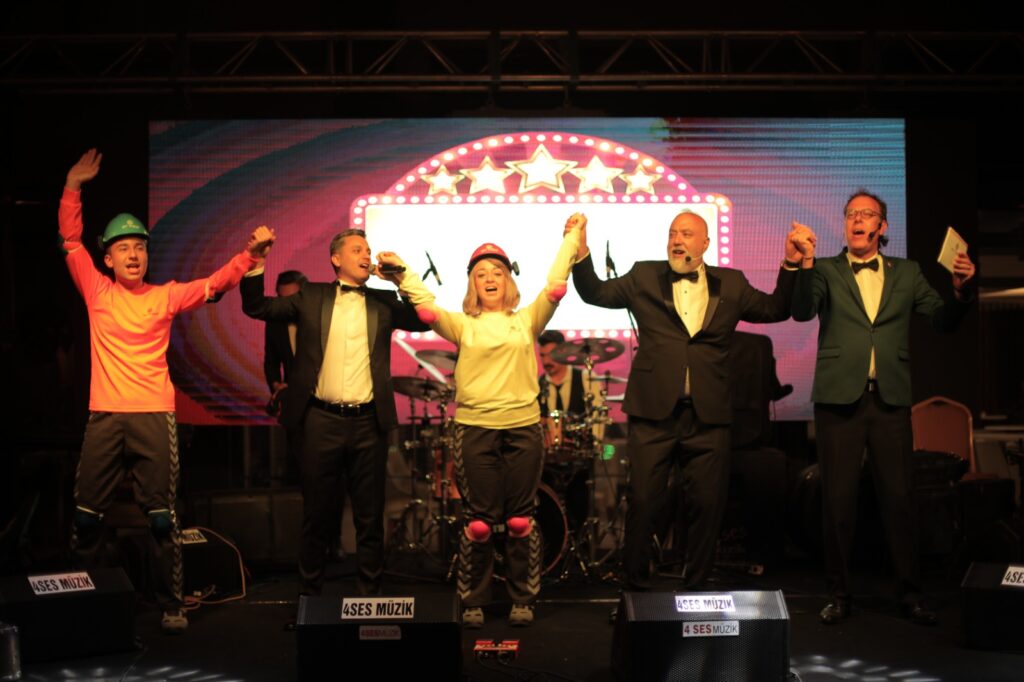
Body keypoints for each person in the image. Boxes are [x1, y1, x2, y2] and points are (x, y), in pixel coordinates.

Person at [60, 149, 268, 634]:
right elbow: (70, 239)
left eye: (140, 247)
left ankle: (171, 603)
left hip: (154, 416)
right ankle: (80, 600)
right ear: (108, 258)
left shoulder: (165, 295)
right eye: (123, 249)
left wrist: (250, 256)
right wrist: (73, 185)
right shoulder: (96, 291)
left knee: (160, 519)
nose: (133, 255)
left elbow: (214, 285)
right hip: (105, 416)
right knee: (86, 518)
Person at [572, 209, 811, 596]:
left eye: (685, 233)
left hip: (708, 414)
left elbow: (775, 308)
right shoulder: (643, 275)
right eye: (672, 233)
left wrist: (791, 263)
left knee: (707, 504)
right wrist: (581, 252)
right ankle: (634, 592)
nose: (677, 240)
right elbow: (595, 292)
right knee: (644, 501)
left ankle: (696, 591)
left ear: (705, 243)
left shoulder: (731, 283)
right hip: (654, 411)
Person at [379, 215, 584, 628]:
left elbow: (555, 287)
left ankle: (522, 598)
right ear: (472, 283)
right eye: (481, 274)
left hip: (523, 426)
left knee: (520, 520)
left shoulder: (526, 320)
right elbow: (426, 309)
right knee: (478, 523)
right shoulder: (463, 324)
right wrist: (402, 273)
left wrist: (572, 238)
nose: (489, 278)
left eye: (497, 272)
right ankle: (473, 598)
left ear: (508, 280)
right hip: (474, 428)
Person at [790, 189, 975, 626]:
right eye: (851, 213)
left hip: (890, 398)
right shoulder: (826, 269)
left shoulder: (906, 272)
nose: (857, 219)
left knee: (899, 499)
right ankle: (839, 594)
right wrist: (805, 264)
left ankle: (910, 594)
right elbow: (800, 311)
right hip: (838, 400)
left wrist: (960, 292)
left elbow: (942, 321)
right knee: (838, 501)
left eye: (866, 213)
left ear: (882, 226)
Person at [240, 228, 427, 601]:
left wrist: (401, 276)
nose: (366, 254)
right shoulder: (312, 296)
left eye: (368, 249)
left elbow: (423, 319)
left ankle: (370, 598)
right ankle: (309, 601)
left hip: (369, 422)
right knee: (317, 515)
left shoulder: (383, 300)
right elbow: (257, 307)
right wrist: (256, 259)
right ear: (336, 259)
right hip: (320, 420)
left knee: (369, 517)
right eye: (357, 249)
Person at [263, 270, 307, 486]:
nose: (287, 306)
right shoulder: (275, 322)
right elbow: (271, 360)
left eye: (292, 300)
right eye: (282, 300)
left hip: (321, 398)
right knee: (298, 455)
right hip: (292, 400)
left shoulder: (319, 319)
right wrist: (276, 385)